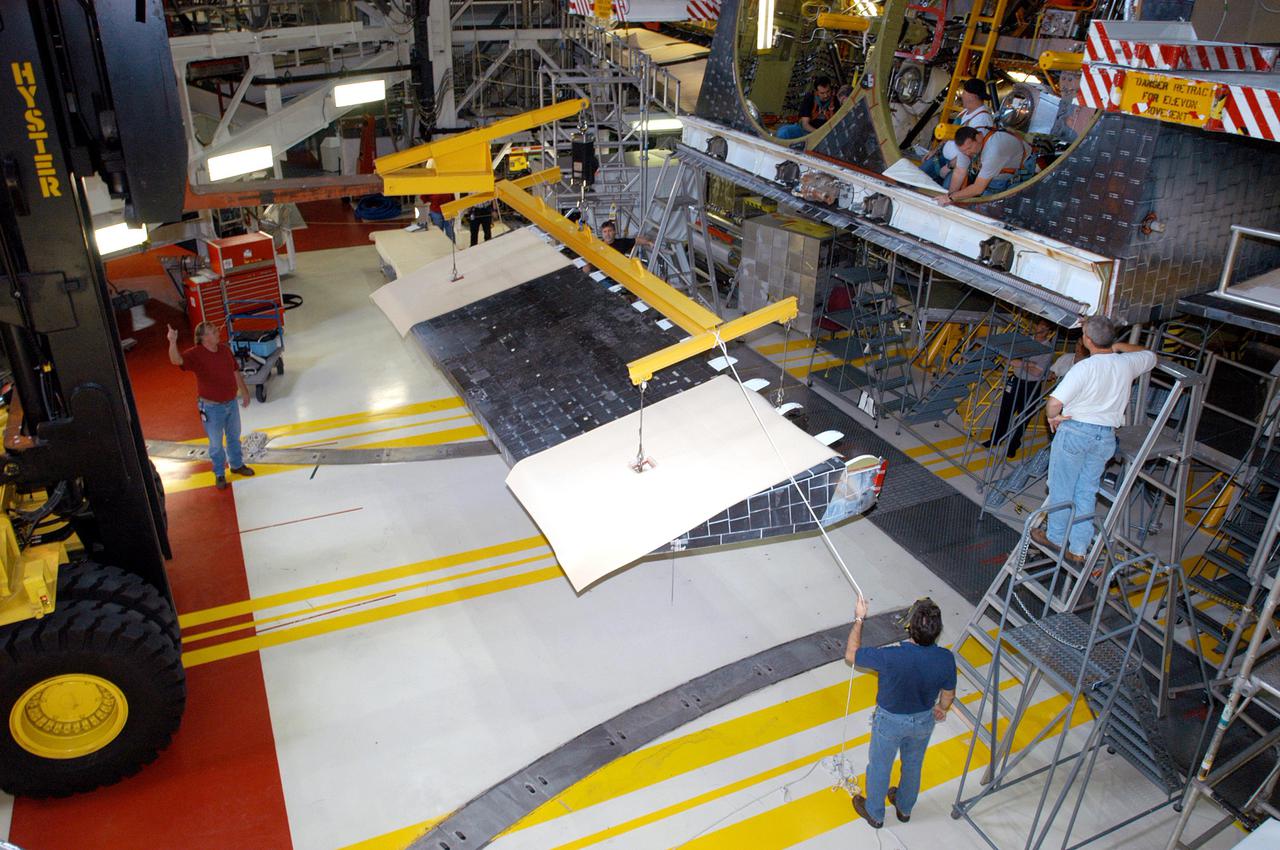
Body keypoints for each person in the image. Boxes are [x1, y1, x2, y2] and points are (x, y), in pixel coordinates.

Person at [1032, 315, 1157, 563]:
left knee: (1061, 488)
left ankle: (1055, 538)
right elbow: (1151, 355)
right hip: (1105, 438)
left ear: (1087, 340)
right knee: (1086, 491)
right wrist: (1119, 348)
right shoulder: (1126, 364)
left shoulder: (1084, 368)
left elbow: (1054, 403)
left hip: (1076, 433)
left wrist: (1052, 418)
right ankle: (1078, 549)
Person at [846, 595, 956, 829]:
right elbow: (948, 695)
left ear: (910, 628)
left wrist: (858, 618)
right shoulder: (946, 658)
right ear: (936, 632)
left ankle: (875, 813)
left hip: (889, 722)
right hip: (924, 720)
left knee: (879, 767)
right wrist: (942, 708)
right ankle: (904, 808)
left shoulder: (891, 656)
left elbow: (851, 654)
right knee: (913, 765)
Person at [167, 322, 254, 491]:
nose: (217, 332)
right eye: (213, 331)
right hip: (211, 408)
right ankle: (219, 473)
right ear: (203, 338)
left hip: (231, 403)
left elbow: (235, 371)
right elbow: (176, 360)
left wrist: (244, 391)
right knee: (215, 443)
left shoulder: (224, 349)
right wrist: (172, 341)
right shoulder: (196, 354)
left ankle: (236, 464)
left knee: (233, 436)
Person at [984, 318, 1056, 459]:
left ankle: (1013, 446)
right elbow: (1008, 359)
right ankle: (995, 438)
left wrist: (1021, 363)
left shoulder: (1047, 350)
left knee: (1023, 417)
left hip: (1031, 386)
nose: (1040, 328)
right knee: (1005, 411)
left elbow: (1037, 372)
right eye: (1040, 324)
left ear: (1049, 332)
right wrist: (1029, 364)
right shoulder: (1024, 340)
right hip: (1015, 380)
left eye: (1045, 327)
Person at [935, 125, 1035, 205]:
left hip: (1021, 169)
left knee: (997, 205)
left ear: (979, 137)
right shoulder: (966, 144)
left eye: (969, 148)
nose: (968, 153)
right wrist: (949, 196)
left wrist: (951, 198)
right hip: (997, 167)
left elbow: (978, 188)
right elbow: (959, 172)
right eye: (964, 151)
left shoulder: (993, 150)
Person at [921, 78, 994, 188]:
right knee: (917, 175)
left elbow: (971, 151)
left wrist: (949, 166)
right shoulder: (965, 112)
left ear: (972, 96)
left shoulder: (982, 119)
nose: (962, 95)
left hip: (960, 166)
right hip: (944, 159)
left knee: (947, 191)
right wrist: (934, 151)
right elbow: (950, 133)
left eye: (964, 92)